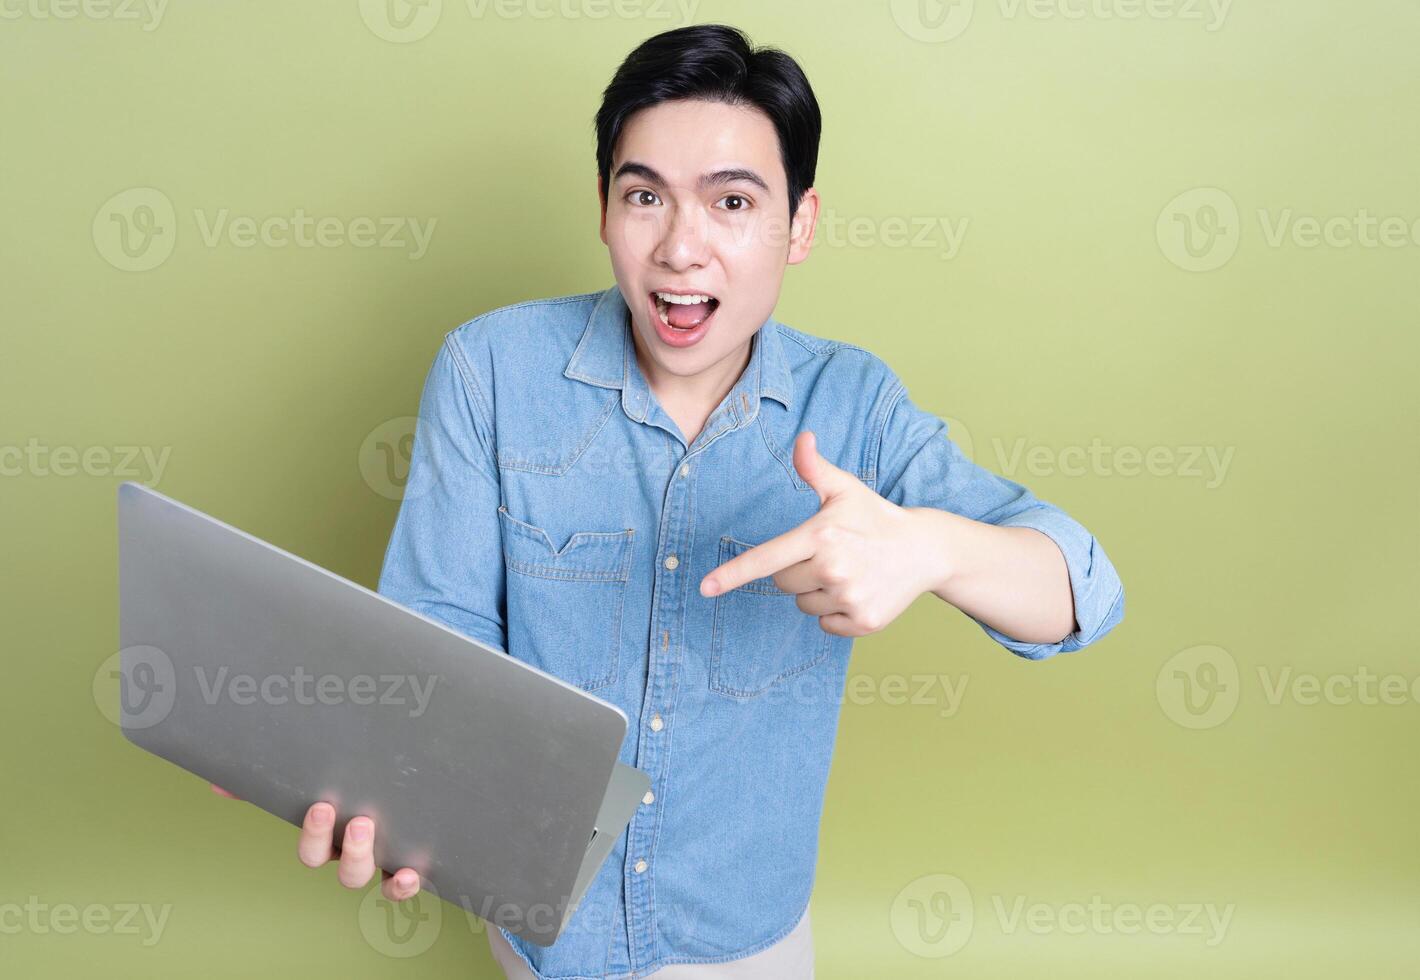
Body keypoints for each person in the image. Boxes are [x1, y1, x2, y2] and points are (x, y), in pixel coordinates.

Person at [216, 23, 1124, 979]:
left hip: (747, 948)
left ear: (800, 224)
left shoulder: (852, 402)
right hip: (541, 941)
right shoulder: (489, 369)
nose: (681, 248)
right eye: (644, 196)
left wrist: (934, 550)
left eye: (732, 201)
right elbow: (436, 641)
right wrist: (355, 767)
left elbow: (1083, 591)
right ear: (604, 210)